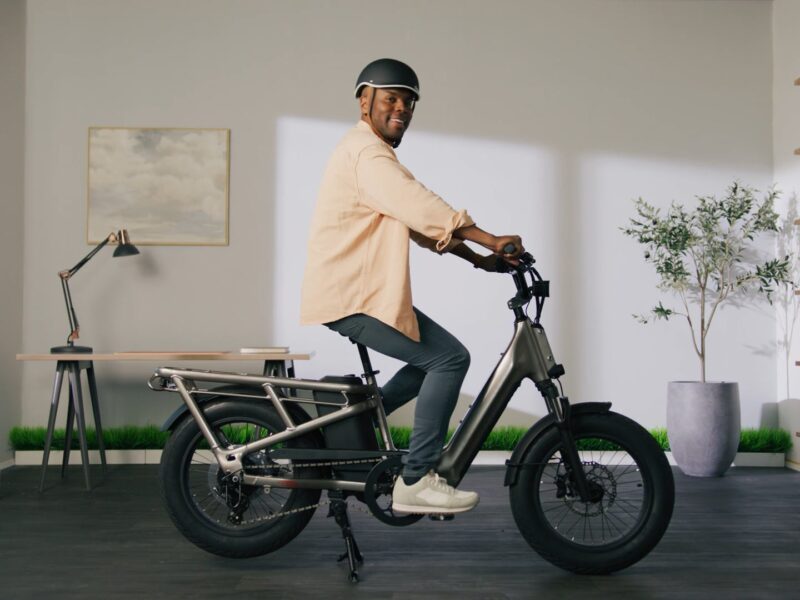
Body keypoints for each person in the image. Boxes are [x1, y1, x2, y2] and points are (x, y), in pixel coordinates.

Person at [301, 58, 524, 514]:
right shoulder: (366, 154)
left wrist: (479, 261)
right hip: (353, 296)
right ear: (364, 101)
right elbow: (421, 206)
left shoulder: (370, 155)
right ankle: (416, 481)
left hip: (360, 294)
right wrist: (489, 239)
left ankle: (350, 425)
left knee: (434, 362)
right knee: (449, 359)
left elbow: (418, 224)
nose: (401, 108)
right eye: (391, 98)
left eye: (408, 102)